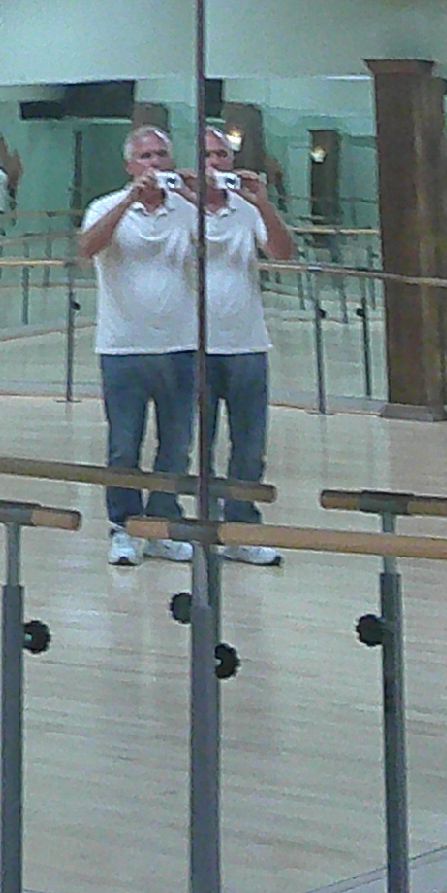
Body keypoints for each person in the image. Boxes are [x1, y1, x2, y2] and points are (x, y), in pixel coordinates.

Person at [79, 128, 199, 565]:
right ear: (130, 165)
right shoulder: (105, 206)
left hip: (180, 346)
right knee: (123, 445)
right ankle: (123, 527)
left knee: (176, 445)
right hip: (122, 348)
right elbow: (87, 247)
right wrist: (129, 200)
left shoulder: (188, 209)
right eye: (145, 156)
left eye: (161, 155)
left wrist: (195, 195)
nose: (154, 163)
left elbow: (220, 247)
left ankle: (162, 524)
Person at [196, 125, 297, 565]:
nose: (215, 163)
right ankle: (198, 528)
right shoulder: (177, 208)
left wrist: (263, 203)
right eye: (206, 155)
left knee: (249, 447)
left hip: (246, 344)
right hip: (192, 346)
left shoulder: (247, 209)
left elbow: (283, 251)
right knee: (195, 444)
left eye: (221, 155)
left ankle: (242, 528)